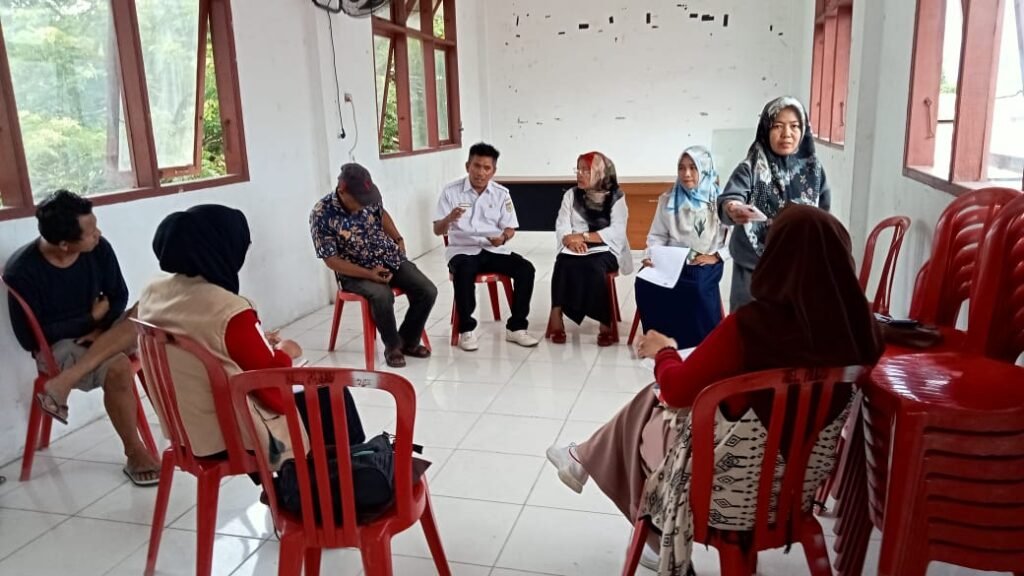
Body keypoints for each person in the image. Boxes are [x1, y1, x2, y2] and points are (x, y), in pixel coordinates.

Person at [546, 205, 884, 574]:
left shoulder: (750, 326)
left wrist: (664, 351)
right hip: (797, 486)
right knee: (654, 404)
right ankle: (582, 460)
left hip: (726, 485)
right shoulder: (863, 329)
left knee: (652, 407)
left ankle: (641, 520)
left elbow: (677, 390)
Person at [137, 205, 364, 467]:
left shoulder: (153, 292)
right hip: (232, 432)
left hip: (187, 429)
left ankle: (326, 474)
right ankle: (338, 477)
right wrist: (285, 351)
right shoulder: (228, 310)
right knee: (332, 393)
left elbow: (203, 343)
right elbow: (272, 390)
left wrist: (252, 343)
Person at [4, 190, 161, 486]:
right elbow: (29, 338)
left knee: (150, 307)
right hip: (60, 346)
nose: (98, 235)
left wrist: (101, 328)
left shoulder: (99, 249)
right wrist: (89, 319)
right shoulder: (23, 271)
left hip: (105, 330)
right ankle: (135, 452)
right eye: (90, 233)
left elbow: (118, 296)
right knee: (118, 366)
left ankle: (64, 382)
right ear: (64, 244)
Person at [310, 163, 438, 368]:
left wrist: (397, 238)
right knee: (381, 295)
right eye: (359, 201)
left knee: (427, 290)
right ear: (342, 191)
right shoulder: (321, 213)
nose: (365, 204)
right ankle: (392, 346)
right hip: (354, 271)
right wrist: (369, 274)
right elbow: (331, 260)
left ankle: (408, 341)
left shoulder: (369, 198)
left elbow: (381, 213)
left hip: (387, 257)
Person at [718, 96, 830, 310]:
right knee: (749, 323)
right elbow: (731, 197)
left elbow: (823, 214)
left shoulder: (814, 172)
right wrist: (733, 208)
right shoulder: (750, 168)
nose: (786, 134)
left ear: (804, 129)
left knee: (790, 325)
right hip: (753, 265)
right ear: (765, 129)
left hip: (798, 266)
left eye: (794, 126)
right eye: (777, 126)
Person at [434, 143, 539, 351]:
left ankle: (517, 327)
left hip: (493, 249)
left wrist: (503, 238)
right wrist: (448, 219)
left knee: (526, 269)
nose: (480, 172)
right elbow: (438, 230)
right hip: (462, 249)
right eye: (476, 166)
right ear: (467, 166)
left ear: (493, 171)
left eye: (486, 168)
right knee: (464, 271)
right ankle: (466, 330)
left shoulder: (502, 194)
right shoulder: (450, 192)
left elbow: (510, 228)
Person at [636, 146, 729, 349]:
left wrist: (717, 256)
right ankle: (660, 343)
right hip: (671, 260)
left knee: (696, 287)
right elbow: (657, 235)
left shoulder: (721, 201)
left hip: (705, 260)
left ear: (705, 169)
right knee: (644, 281)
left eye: (693, 167)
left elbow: (736, 237)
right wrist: (652, 255)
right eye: (682, 167)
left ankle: (701, 344)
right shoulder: (668, 199)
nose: (686, 173)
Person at [548, 151, 632, 346]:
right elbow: (562, 223)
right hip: (574, 245)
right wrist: (569, 240)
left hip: (606, 248)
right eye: (578, 169)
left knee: (594, 267)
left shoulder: (616, 197)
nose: (580, 174)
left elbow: (617, 231)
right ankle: (556, 314)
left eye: (586, 170)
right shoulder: (571, 195)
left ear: (601, 173)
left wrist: (583, 236)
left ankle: (605, 322)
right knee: (563, 263)